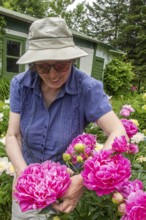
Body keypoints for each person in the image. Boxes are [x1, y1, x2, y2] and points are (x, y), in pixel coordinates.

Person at [5, 17, 128, 220]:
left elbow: (118, 131)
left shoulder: (87, 88)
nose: (53, 74)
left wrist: (83, 179)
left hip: (68, 186)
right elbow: (13, 135)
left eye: (61, 65)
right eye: (43, 67)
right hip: (26, 178)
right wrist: (23, 175)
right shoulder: (20, 84)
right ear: (34, 64)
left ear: (72, 60)